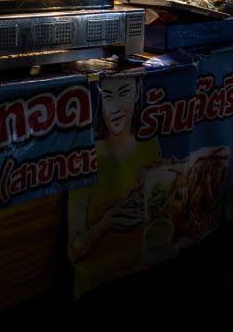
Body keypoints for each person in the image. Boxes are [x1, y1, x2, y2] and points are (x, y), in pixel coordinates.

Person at [68, 74, 161, 298]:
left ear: (139, 92)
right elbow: (73, 251)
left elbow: (158, 219)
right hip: (94, 284)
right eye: (107, 96)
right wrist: (105, 224)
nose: (115, 107)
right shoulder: (88, 156)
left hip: (139, 273)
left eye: (124, 93)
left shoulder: (149, 143)